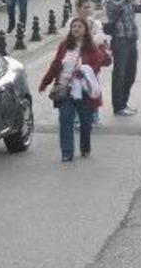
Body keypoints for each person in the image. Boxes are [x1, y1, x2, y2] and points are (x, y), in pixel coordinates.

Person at [38, 17, 111, 161]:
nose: (76, 29)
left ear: (85, 30)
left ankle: (85, 147)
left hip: (84, 91)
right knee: (65, 120)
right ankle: (67, 153)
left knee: (85, 122)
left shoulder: (92, 47)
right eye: (74, 26)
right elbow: (55, 65)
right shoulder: (64, 45)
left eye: (79, 26)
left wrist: (102, 50)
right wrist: (45, 82)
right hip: (65, 89)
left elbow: (106, 61)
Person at [105, 0, 140, 116]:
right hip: (120, 41)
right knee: (120, 75)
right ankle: (118, 107)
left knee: (131, 75)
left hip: (132, 40)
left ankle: (124, 103)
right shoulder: (110, 0)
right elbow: (114, 12)